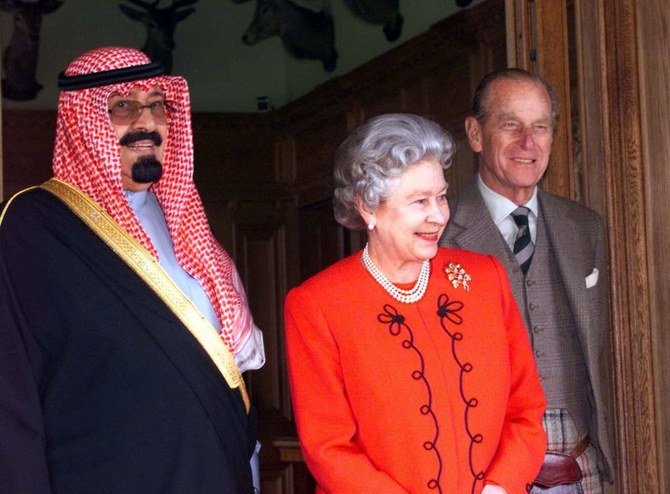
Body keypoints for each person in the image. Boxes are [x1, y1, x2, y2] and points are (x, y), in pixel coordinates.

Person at [0, 47, 265, 493]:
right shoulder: (33, 226)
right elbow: (11, 397)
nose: (148, 124)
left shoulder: (181, 220)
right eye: (123, 106)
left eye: (158, 105)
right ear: (83, 122)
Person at [284, 113, 546, 493]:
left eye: (440, 196)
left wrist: (501, 486)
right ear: (368, 207)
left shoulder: (485, 279)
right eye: (419, 201)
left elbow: (525, 410)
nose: (438, 215)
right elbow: (328, 447)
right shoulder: (318, 305)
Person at [439, 68, 615, 493]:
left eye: (540, 127)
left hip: (582, 463)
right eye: (510, 125)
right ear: (476, 134)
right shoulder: (438, 233)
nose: (527, 142)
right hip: (483, 472)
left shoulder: (585, 227)